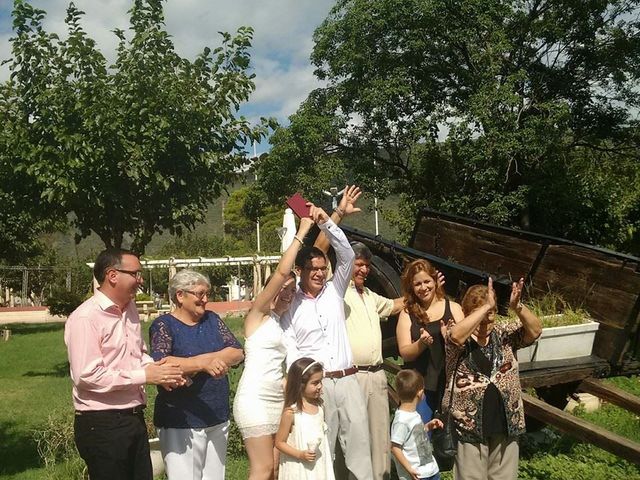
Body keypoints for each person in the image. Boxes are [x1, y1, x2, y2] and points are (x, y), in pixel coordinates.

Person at [64, 248, 184, 480]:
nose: (140, 280)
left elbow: (137, 354)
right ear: (112, 275)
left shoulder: (129, 310)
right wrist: (145, 376)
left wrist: (160, 372)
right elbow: (87, 376)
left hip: (133, 417)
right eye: (135, 274)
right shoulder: (85, 318)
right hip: (102, 424)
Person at [313, 186, 403, 480]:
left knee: (377, 437)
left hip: (376, 376)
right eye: (358, 265)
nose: (362, 270)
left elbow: (398, 303)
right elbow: (319, 251)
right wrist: (336, 214)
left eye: (366, 266)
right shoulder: (335, 291)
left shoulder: (371, 297)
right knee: (345, 439)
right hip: (348, 376)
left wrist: (430, 290)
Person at [282, 201, 373, 479]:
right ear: (300, 271)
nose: (320, 273)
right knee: (322, 451)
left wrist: (326, 221)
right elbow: (291, 348)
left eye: (323, 267)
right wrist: (302, 385)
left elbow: (346, 254)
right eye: (314, 269)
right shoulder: (291, 305)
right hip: (315, 387)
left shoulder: (335, 292)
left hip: (347, 380)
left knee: (359, 449)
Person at [234, 215, 315, 480]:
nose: (289, 294)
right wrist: (302, 232)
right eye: (285, 289)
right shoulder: (257, 315)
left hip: (277, 399)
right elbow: (282, 272)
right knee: (263, 468)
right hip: (254, 398)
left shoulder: (283, 322)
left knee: (276, 470)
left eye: (294, 290)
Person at [149, 269, 244, 480]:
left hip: (216, 414)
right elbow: (162, 363)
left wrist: (198, 362)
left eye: (207, 293)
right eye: (200, 294)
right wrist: (203, 363)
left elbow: (236, 351)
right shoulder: (164, 325)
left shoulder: (212, 319)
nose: (205, 299)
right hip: (181, 419)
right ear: (180, 295)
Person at [444, 277, 542, 480]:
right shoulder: (457, 336)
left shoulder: (504, 333)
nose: (487, 320)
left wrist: (517, 306)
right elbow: (455, 337)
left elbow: (535, 330)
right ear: (468, 314)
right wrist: (485, 307)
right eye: (481, 315)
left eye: (492, 313)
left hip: (506, 421)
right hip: (469, 426)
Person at [396, 259, 464, 423]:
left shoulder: (453, 308)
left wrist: (450, 337)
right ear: (411, 287)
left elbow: (465, 343)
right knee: (419, 438)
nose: (423, 287)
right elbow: (405, 353)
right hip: (420, 389)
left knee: (448, 442)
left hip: (450, 385)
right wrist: (421, 343)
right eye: (417, 284)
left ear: (435, 281)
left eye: (427, 281)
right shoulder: (407, 313)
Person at [275, 357, 335, 480]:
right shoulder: (291, 413)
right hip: (298, 467)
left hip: (318, 466)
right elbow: (279, 443)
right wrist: (300, 454)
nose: (320, 386)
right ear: (300, 384)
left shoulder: (320, 407)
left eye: (320, 381)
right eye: (315, 383)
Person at [391, 369, 444, 480]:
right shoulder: (401, 420)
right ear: (420, 393)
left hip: (430, 470)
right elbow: (395, 447)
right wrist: (409, 468)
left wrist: (427, 427)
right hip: (416, 474)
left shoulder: (413, 414)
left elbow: (413, 436)